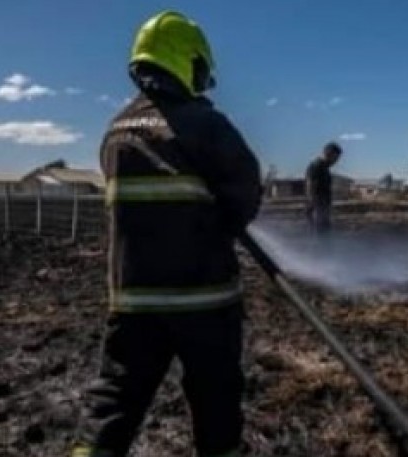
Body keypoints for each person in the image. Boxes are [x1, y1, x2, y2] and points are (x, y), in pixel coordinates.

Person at [72, 11, 262, 457]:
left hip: (133, 302)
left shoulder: (114, 132)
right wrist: (226, 220)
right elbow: (246, 189)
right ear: (184, 60)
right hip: (204, 300)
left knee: (113, 404)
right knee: (216, 406)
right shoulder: (204, 123)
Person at [305, 142, 342, 234]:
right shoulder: (316, 166)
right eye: (336, 158)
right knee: (318, 235)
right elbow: (309, 185)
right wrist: (313, 206)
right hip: (317, 209)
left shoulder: (325, 168)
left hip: (323, 209)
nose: (336, 161)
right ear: (329, 154)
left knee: (325, 234)